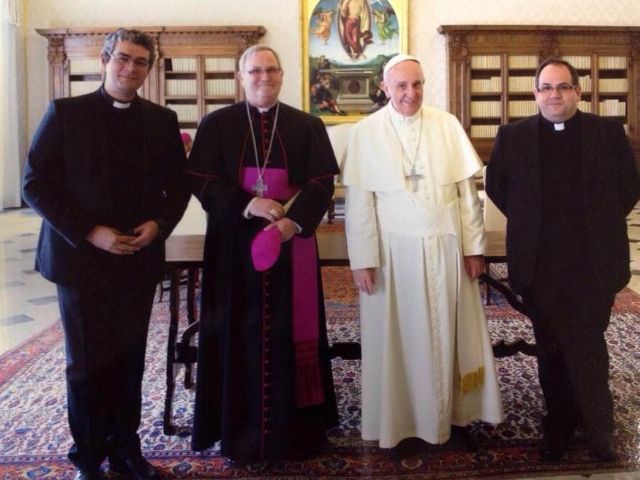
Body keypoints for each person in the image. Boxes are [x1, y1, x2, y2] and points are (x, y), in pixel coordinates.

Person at [22, 28, 190, 480]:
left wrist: (158, 224)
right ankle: (89, 458)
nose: (129, 68)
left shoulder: (161, 121)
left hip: (135, 260)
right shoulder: (65, 113)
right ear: (104, 59)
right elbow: (35, 183)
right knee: (86, 366)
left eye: (140, 62)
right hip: (81, 262)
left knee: (129, 359)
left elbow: (178, 188)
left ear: (149, 69)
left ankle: (126, 451)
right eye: (122, 58)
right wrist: (89, 232)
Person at [187, 45, 340, 465]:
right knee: (237, 335)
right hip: (233, 250)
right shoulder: (216, 124)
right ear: (241, 76)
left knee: (291, 336)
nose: (263, 77)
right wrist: (247, 204)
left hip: (292, 250)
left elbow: (322, 182)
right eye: (255, 70)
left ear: (283, 74)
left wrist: (293, 223)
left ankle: (300, 435)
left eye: (272, 69)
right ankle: (237, 435)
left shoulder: (307, 125)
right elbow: (200, 179)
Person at [342, 54, 503, 453]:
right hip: (393, 254)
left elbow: (468, 197)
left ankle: (454, 415)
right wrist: (363, 258)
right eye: (401, 86)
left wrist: (474, 248)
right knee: (399, 340)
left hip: (447, 247)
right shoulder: (365, 133)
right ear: (385, 87)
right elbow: (360, 203)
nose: (410, 93)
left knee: (451, 332)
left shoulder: (446, 125)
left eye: (417, 85)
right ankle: (401, 421)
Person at [485, 58, 640, 462]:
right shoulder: (512, 137)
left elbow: (629, 187)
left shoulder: (607, 133)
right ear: (535, 93)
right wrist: (533, 223)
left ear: (578, 91)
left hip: (593, 264)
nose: (555, 94)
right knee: (550, 348)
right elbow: (499, 189)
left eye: (564, 87)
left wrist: (598, 224)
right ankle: (558, 425)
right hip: (540, 266)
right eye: (547, 88)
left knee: (589, 346)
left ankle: (599, 427)